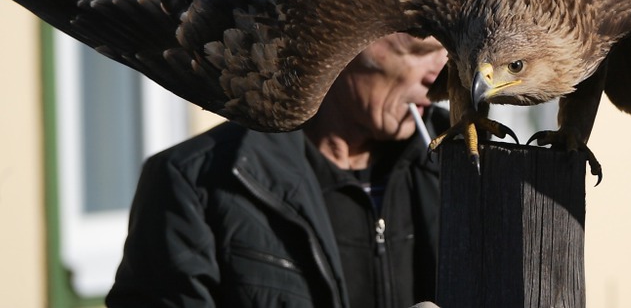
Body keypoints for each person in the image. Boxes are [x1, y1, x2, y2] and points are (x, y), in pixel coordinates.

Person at [106, 33, 449, 308]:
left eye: (451, 48)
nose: (443, 75)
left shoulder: (471, 173)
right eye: (419, 48)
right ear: (342, 38)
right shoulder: (197, 183)